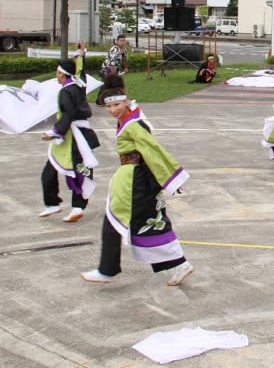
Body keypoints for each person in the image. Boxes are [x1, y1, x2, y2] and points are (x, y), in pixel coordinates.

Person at [80, 78, 194, 286]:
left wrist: (170, 178)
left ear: (125, 102)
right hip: (137, 178)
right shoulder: (132, 116)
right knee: (149, 223)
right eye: (109, 106)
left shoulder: (133, 125)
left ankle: (107, 270)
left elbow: (152, 149)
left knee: (114, 221)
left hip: (136, 181)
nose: (113, 110)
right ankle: (180, 264)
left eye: (117, 104)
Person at [39, 43, 100, 223]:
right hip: (80, 134)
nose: (56, 76)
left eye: (57, 73)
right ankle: (70, 206)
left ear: (61, 74)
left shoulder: (66, 91)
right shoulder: (79, 85)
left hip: (72, 137)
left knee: (64, 170)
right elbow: (80, 71)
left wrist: (54, 132)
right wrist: (81, 54)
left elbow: (68, 113)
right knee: (77, 169)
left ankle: (61, 205)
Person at [96, 34, 128, 105]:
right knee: (106, 86)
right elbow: (112, 63)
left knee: (113, 85)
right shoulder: (114, 49)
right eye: (121, 41)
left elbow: (125, 59)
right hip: (107, 70)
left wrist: (126, 67)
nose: (122, 42)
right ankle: (99, 101)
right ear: (117, 41)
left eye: (123, 41)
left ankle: (115, 100)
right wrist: (113, 76)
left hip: (116, 70)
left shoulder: (124, 50)